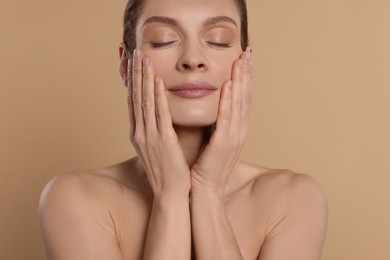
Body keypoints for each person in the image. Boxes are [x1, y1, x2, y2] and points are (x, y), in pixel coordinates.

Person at [39, 0, 328, 259]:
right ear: (127, 65)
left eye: (218, 40)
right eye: (163, 40)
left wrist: (208, 192)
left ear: (245, 62)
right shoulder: (75, 198)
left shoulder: (293, 198)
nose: (192, 59)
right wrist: (171, 195)